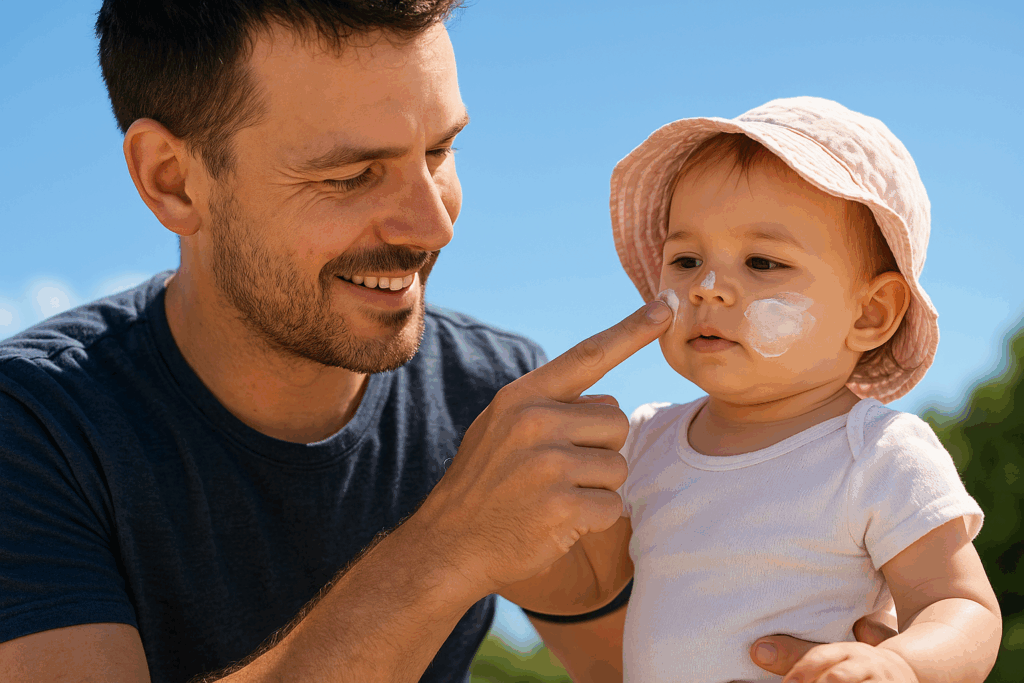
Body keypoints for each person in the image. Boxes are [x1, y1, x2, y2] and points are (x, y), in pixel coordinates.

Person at [0, 3, 896, 681]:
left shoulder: (494, 393)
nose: (433, 225)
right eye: (351, 175)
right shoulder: (32, 426)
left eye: (438, 152)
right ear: (172, 181)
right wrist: (445, 552)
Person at [504, 97, 1003, 682]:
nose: (708, 288)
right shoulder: (647, 441)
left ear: (870, 313)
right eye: (686, 259)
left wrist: (898, 665)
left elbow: (962, 606)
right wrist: (499, 547)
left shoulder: (876, 452)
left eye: (762, 262)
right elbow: (589, 586)